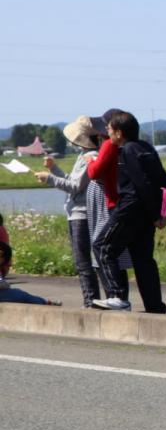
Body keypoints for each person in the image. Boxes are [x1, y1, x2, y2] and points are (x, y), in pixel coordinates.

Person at [98, 111, 166, 314]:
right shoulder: (147, 147)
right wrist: (160, 212)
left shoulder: (128, 150)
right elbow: (163, 179)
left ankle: (117, 296)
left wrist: (157, 214)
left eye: (110, 129)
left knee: (103, 246)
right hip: (146, 214)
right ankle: (155, 306)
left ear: (119, 132)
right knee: (143, 259)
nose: (108, 133)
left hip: (130, 209)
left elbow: (142, 183)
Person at [35, 115, 105, 308]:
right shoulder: (84, 156)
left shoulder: (89, 157)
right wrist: (54, 169)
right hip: (78, 212)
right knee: (84, 261)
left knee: (83, 262)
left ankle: (91, 302)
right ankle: (93, 300)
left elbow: (75, 187)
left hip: (81, 214)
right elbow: (73, 182)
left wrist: (49, 178)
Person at [86, 107, 133, 310]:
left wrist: (90, 161)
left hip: (113, 205)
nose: (103, 128)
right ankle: (120, 298)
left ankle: (117, 297)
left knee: (102, 247)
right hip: (125, 204)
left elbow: (95, 173)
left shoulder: (108, 146)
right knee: (119, 254)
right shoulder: (132, 147)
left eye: (106, 124)